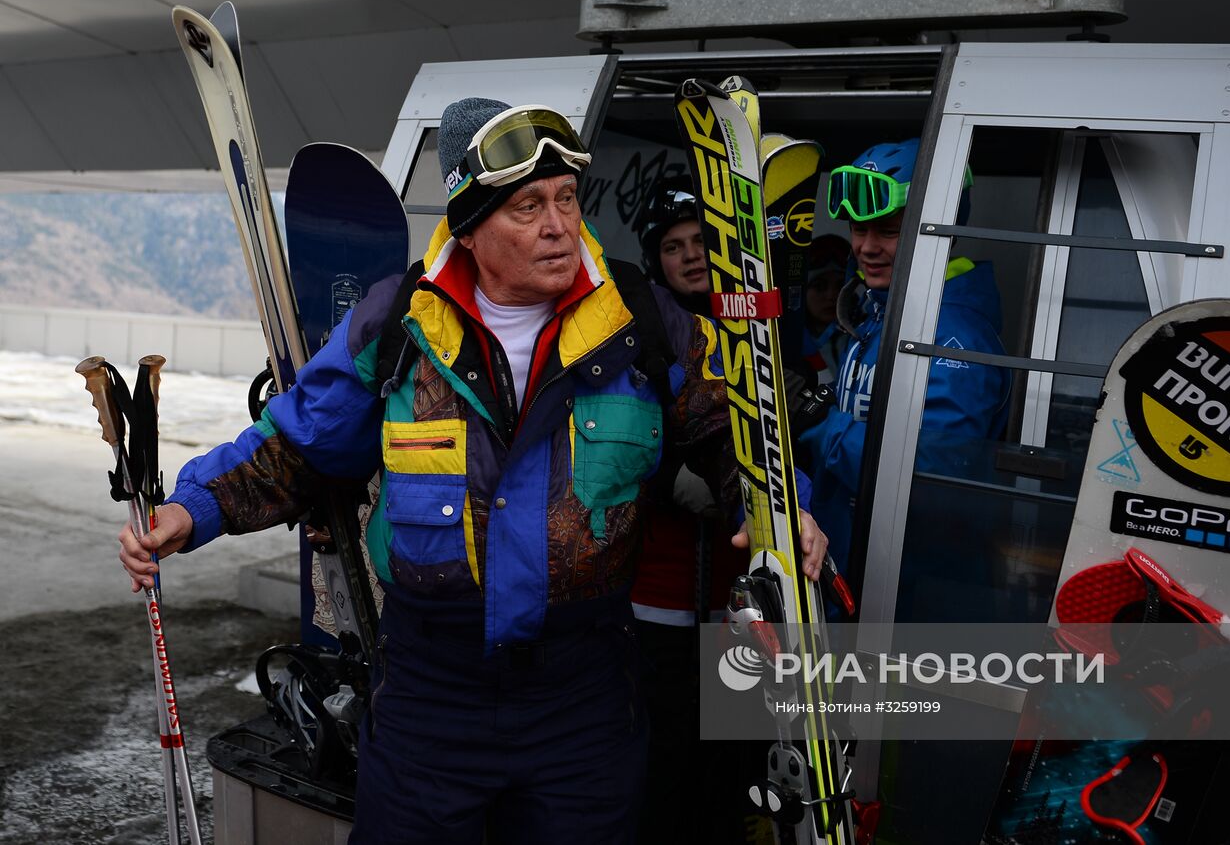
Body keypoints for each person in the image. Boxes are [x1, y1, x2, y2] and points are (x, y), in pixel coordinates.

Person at [117, 98, 828, 844]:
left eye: (566, 198)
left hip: (584, 695)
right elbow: (296, 445)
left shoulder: (640, 321)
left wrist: (781, 514)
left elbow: (735, 434)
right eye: (527, 207)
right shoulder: (399, 325)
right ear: (470, 225)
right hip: (432, 692)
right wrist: (191, 510)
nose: (558, 225)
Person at [797, 138, 1009, 577]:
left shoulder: (955, 339)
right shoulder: (878, 310)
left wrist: (818, 422)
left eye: (888, 231)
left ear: (939, 229)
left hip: (913, 581)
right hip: (853, 562)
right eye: (858, 228)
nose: (866, 247)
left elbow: (928, 476)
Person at [631, 177, 753, 843]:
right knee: (666, 746)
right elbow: (610, 442)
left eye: (699, 240)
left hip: (732, 589)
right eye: (673, 246)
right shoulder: (641, 331)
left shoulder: (748, 323)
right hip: (662, 592)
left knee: (728, 749)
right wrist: (669, 478)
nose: (690, 256)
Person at [801, 233, 852, 385]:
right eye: (819, 286)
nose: (831, 296)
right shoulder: (786, 342)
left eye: (840, 286)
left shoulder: (867, 336)